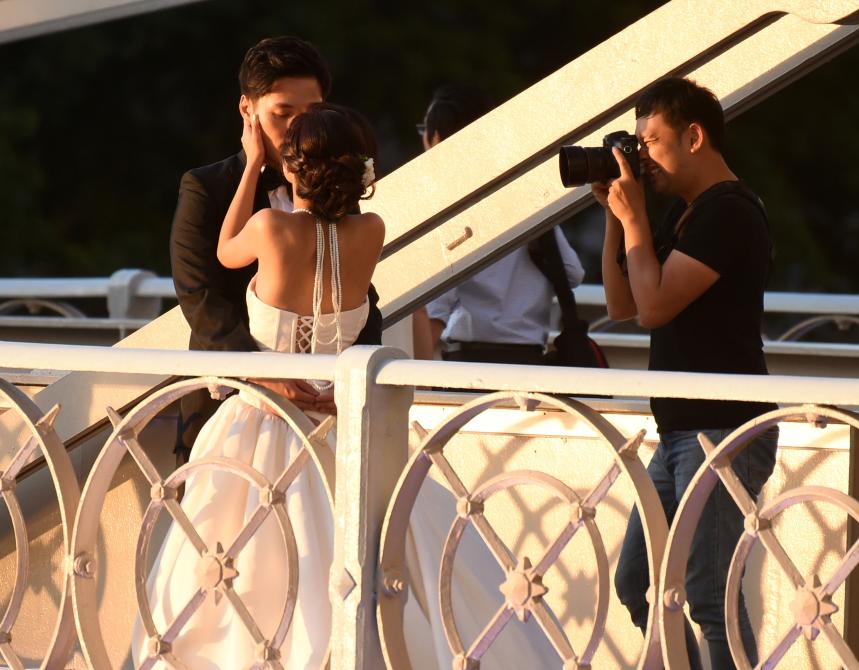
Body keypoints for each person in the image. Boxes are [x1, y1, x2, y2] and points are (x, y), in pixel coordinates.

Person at [135, 104, 557, 669]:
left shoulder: (269, 228)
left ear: (292, 168)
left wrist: (251, 161)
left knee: (239, 566)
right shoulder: (371, 231)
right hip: (341, 420)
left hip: (263, 419)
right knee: (372, 554)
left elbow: (222, 249)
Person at [596, 77, 778, 669]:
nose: (642, 159)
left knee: (709, 597)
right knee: (636, 582)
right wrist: (615, 217)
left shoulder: (728, 212)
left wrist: (638, 222)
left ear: (694, 136)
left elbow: (653, 309)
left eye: (652, 142)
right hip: (683, 431)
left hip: (723, 431)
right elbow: (623, 304)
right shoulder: (686, 214)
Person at [170, 36, 382, 462]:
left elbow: (361, 297)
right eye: (283, 114)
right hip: (226, 410)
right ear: (247, 111)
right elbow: (200, 294)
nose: (299, 129)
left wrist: (352, 379)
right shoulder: (206, 187)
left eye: (313, 114)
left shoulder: (335, 185)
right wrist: (260, 375)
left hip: (325, 407)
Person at [412, 85, 585, 363]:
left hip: (468, 360)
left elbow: (436, 307)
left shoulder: (452, 209)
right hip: (529, 358)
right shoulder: (525, 199)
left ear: (436, 139)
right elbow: (573, 273)